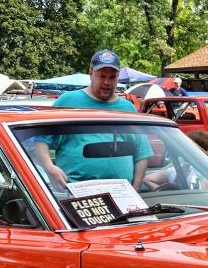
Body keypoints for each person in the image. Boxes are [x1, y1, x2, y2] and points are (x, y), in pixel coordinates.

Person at [32, 49, 151, 190]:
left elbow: (142, 153)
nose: (107, 82)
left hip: (122, 192)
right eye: (102, 76)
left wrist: (136, 188)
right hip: (76, 192)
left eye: (112, 77)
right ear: (91, 73)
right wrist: (49, 167)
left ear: (118, 77)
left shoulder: (128, 109)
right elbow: (40, 142)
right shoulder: (67, 101)